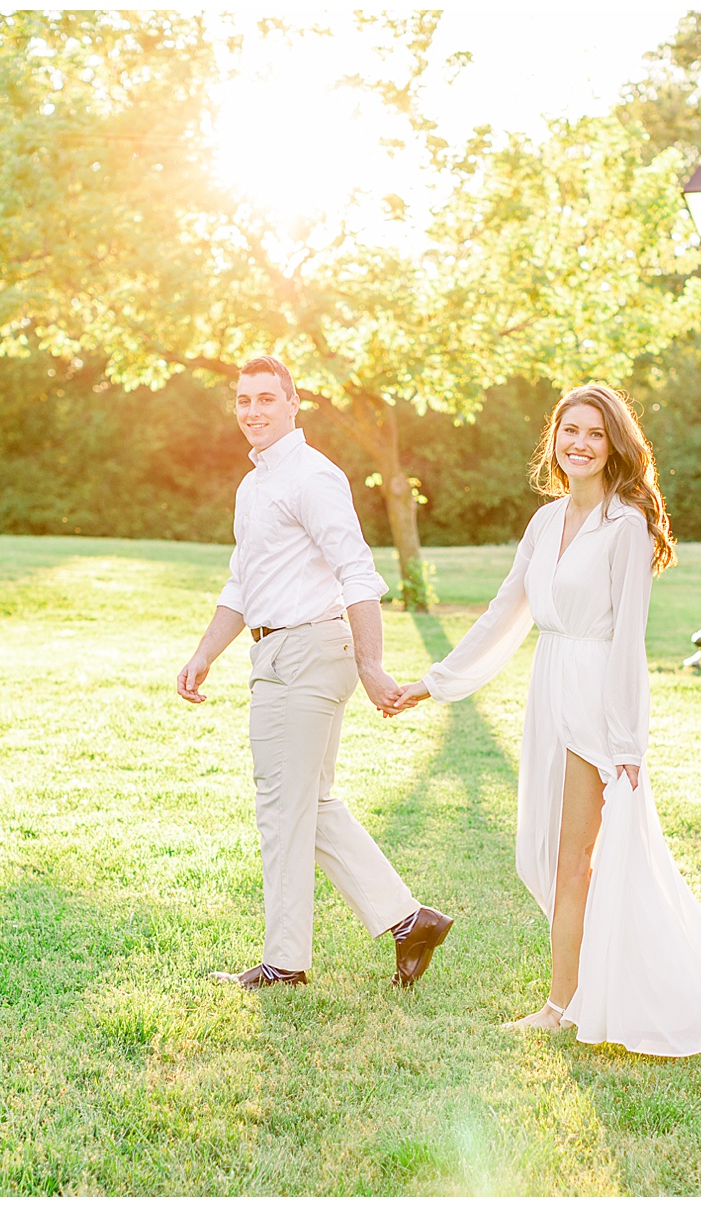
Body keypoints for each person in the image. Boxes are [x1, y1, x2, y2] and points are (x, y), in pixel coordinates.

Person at [391, 384, 701, 1057]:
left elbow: (628, 639)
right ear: (555, 439)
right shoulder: (545, 523)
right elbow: (504, 612)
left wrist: (627, 741)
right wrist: (435, 682)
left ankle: (561, 1005)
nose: (581, 444)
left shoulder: (627, 525)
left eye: (596, 433)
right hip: (550, 688)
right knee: (541, 853)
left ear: (615, 445)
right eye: (571, 431)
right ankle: (591, 985)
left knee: (573, 861)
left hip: (596, 699)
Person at [177, 354, 452, 991]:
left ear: (293, 403)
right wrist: (204, 653)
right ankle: (410, 922)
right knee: (311, 801)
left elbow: (357, 570)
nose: (253, 411)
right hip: (278, 651)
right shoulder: (254, 485)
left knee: (282, 808)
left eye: (266, 399)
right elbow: (243, 582)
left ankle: (285, 963)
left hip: (305, 652)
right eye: (243, 400)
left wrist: (371, 663)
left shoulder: (313, 476)